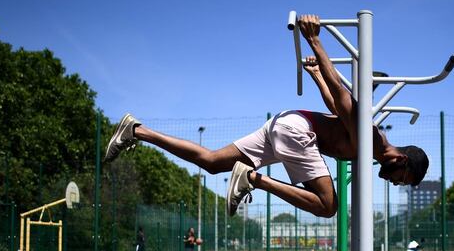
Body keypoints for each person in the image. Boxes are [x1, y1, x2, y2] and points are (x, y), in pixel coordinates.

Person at [104, 14, 429, 219]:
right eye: (405, 180)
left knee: (213, 161)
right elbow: (343, 99)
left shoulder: (369, 148)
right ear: (401, 161)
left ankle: (136, 130)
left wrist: (315, 76)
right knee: (329, 206)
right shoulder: (373, 138)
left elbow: (333, 106)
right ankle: (253, 178)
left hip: (288, 126)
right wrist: (315, 40)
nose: (399, 184)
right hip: (297, 132)